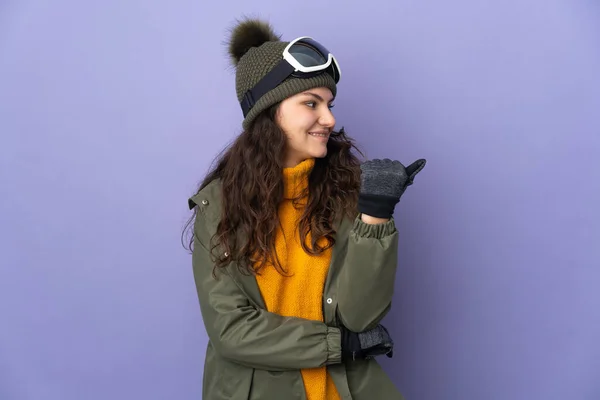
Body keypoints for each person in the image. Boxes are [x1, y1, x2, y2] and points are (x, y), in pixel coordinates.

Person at [183, 17, 426, 400]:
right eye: (310, 103)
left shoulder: (346, 193)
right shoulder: (218, 207)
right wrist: (338, 346)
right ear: (269, 112)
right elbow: (231, 331)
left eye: (329, 104)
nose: (328, 119)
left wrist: (376, 215)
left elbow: (360, 318)